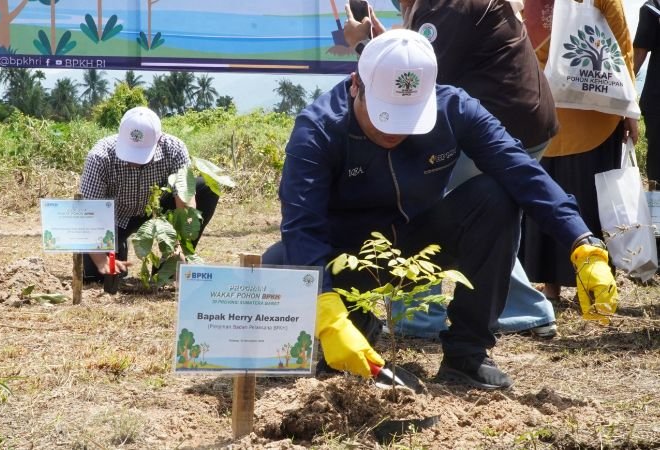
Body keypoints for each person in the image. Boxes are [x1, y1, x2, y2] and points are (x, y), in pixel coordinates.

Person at [263, 29, 618, 390]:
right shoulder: (319, 129)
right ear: (356, 84)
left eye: (407, 118)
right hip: (350, 258)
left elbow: (521, 171)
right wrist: (327, 317)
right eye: (384, 115)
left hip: (422, 247)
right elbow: (302, 225)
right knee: (280, 264)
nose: (395, 134)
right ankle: (353, 322)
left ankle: (467, 355)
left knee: (495, 195)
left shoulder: (455, 109)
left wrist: (582, 241)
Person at [341, 0, 559, 339]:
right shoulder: (439, 6)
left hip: (496, 124)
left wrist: (360, 44)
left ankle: (419, 318)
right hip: (525, 118)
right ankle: (525, 310)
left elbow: (413, 83)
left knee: (434, 208)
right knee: (487, 213)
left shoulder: (445, 7)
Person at [521, 0, 639, 301]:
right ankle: (594, 284)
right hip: (595, 110)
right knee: (589, 201)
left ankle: (550, 287)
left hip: (543, 112)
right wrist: (630, 112)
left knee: (546, 196)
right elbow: (621, 45)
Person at [78, 106, 219, 282]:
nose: (134, 163)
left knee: (205, 188)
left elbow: (185, 202)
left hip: (157, 211)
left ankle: (166, 267)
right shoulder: (100, 157)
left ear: (159, 140)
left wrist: (179, 246)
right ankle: (115, 250)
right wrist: (101, 260)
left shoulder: (174, 149)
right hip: (114, 219)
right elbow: (90, 213)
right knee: (98, 277)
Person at [634, 0, 660, 185]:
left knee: (657, 163)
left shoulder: (654, 6)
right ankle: (656, 210)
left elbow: (638, 56)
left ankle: (655, 211)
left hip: (657, 100)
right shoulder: (653, 8)